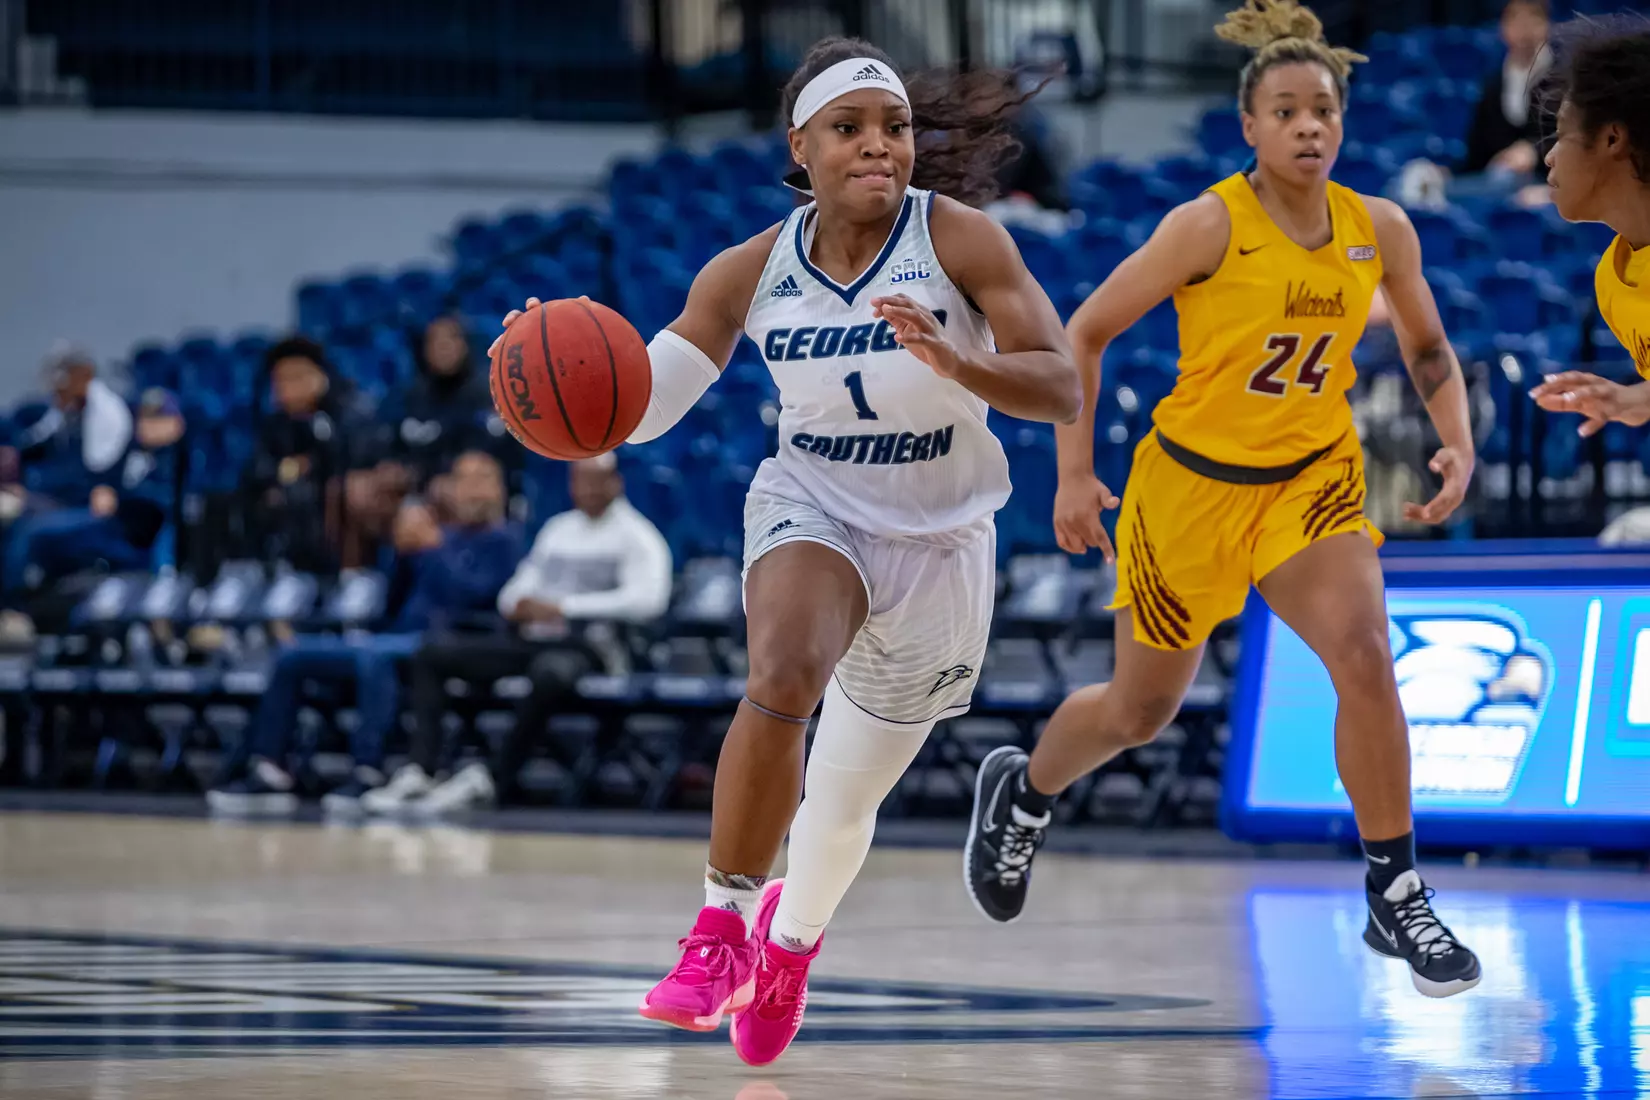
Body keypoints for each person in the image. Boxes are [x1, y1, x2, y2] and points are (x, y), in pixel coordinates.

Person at [493, 36, 1080, 1064]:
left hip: (942, 540)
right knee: (783, 673)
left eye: (894, 128)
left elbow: (1061, 384)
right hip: (815, 503)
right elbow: (644, 406)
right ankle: (720, 928)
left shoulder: (960, 240)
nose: (878, 146)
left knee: (843, 806)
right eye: (849, 129)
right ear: (800, 146)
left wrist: (959, 361)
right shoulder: (747, 271)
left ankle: (790, 941)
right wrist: (555, 377)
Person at [963, 0, 1483, 1000]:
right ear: (1250, 126)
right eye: (1285, 111)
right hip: (1190, 494)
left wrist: (1455, 440)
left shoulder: (1378, 227)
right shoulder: (1208, 224)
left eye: (1323, 110)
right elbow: (1082, 333)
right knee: (1139, 710)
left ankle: (1395, 887)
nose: (1308, 127)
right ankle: (1023, 792)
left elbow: (1426, 348)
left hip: (1310, 483)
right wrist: (1073, 471)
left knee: (1366, 655)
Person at [206, 450, 522, 817]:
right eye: (463, 479)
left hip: (451, 646)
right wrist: (400, 551)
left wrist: (431, 549)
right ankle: (268, 769)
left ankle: (367, 772)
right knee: (293, 653)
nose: (472, 490)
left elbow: (477, 596)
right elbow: (391, 601)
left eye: (482, 479)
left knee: (376, 658)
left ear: (499, 489)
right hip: (395, 636)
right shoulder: (437, 533)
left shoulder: (504, 540)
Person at [364, 453, 673, 816]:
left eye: (595, 480)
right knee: (432, 654)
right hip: (535, 639)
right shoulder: (558, 530)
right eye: (580, 479)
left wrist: (565, 608)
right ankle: (420, 770)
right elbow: (518, 587)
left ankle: (492, 778)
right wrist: (517, 604)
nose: (587, 488)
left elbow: (649, 601)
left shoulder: (637, 535)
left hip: (593, 646)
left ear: (615, 483)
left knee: (550, 672)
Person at [1529, 18, 1650, 429]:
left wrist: (1634, 397)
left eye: (1561, 134)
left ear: (1612, 139)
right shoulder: (1612, 280)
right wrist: (1627, 402)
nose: (1549, 157)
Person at [1463, 0, 1552, 184]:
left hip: (1548, 181)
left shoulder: (1564, 76)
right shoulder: (1492, 85)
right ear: (1503, 28)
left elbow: (1573, 138)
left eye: (1533, 17)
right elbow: (1477, 153)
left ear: (1546, 25)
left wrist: (1533, 151)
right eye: (1515, 18)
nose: (1524, 27)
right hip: (1498, 179)